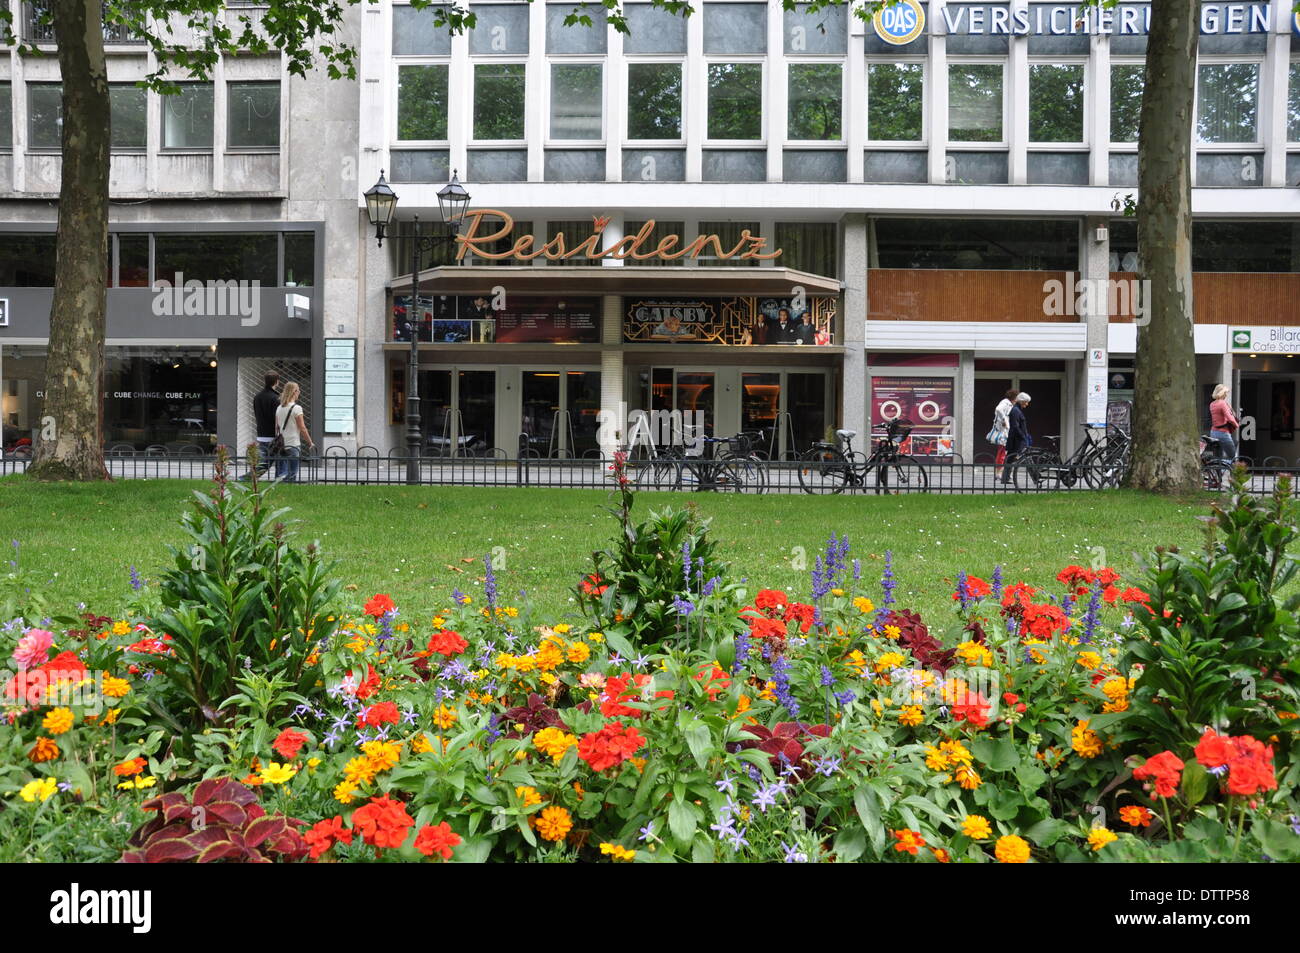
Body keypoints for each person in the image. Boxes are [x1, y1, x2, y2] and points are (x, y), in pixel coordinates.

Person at [274, 381, 315, 482]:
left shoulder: (279, 408)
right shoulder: (297, 408)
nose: (299, 392)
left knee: (282, 473)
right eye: (298, 390)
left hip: (281, 445)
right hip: (293, 444)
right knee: (292, 473)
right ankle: (289, 488)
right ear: (294, 392)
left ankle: (281, 488)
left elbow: (277, 427)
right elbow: (302, 428)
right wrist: (310, 443)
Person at [250, 371, 280, 477]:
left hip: (261, 434)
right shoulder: (276, 398)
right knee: (276, 462)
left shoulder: (257, 396)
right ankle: (247, 478)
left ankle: (250, 477)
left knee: (263, 462)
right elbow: (277, 417)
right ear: (277, 382)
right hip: (273, 435)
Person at [1000, 392, 1032, 485]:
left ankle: (1006, 478)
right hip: (1016, 440)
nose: (1027, 404)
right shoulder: (1015, 411)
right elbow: (1015, 426)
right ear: (1021, 401)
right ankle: (1005, 478)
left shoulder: (1017, 410)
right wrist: (1023, 436)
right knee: (1012, 458)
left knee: (1011, 458)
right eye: (1026, 402)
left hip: (1017, 439)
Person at [1208, 383, 1238, 462]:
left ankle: (1218, 472)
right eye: (1225, 393)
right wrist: (1236, 424)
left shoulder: (1212, 404)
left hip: (1213, 433)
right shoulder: (1222, 403)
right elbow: (1230, 418)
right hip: (1223, 433)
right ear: (1222, 393)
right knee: (1232, 455)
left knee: (1218, 456)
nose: (1226, 395)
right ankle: (1224, 466)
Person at [991, 388, 1017, 479]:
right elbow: (998, 409)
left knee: (1002, 452)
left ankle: (998, 473)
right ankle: (999, 473)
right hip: (1004, 432)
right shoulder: (1006, 403)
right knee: (1003, 453)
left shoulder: (1006, 403)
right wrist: (1004, 420)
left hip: (1004, 431)